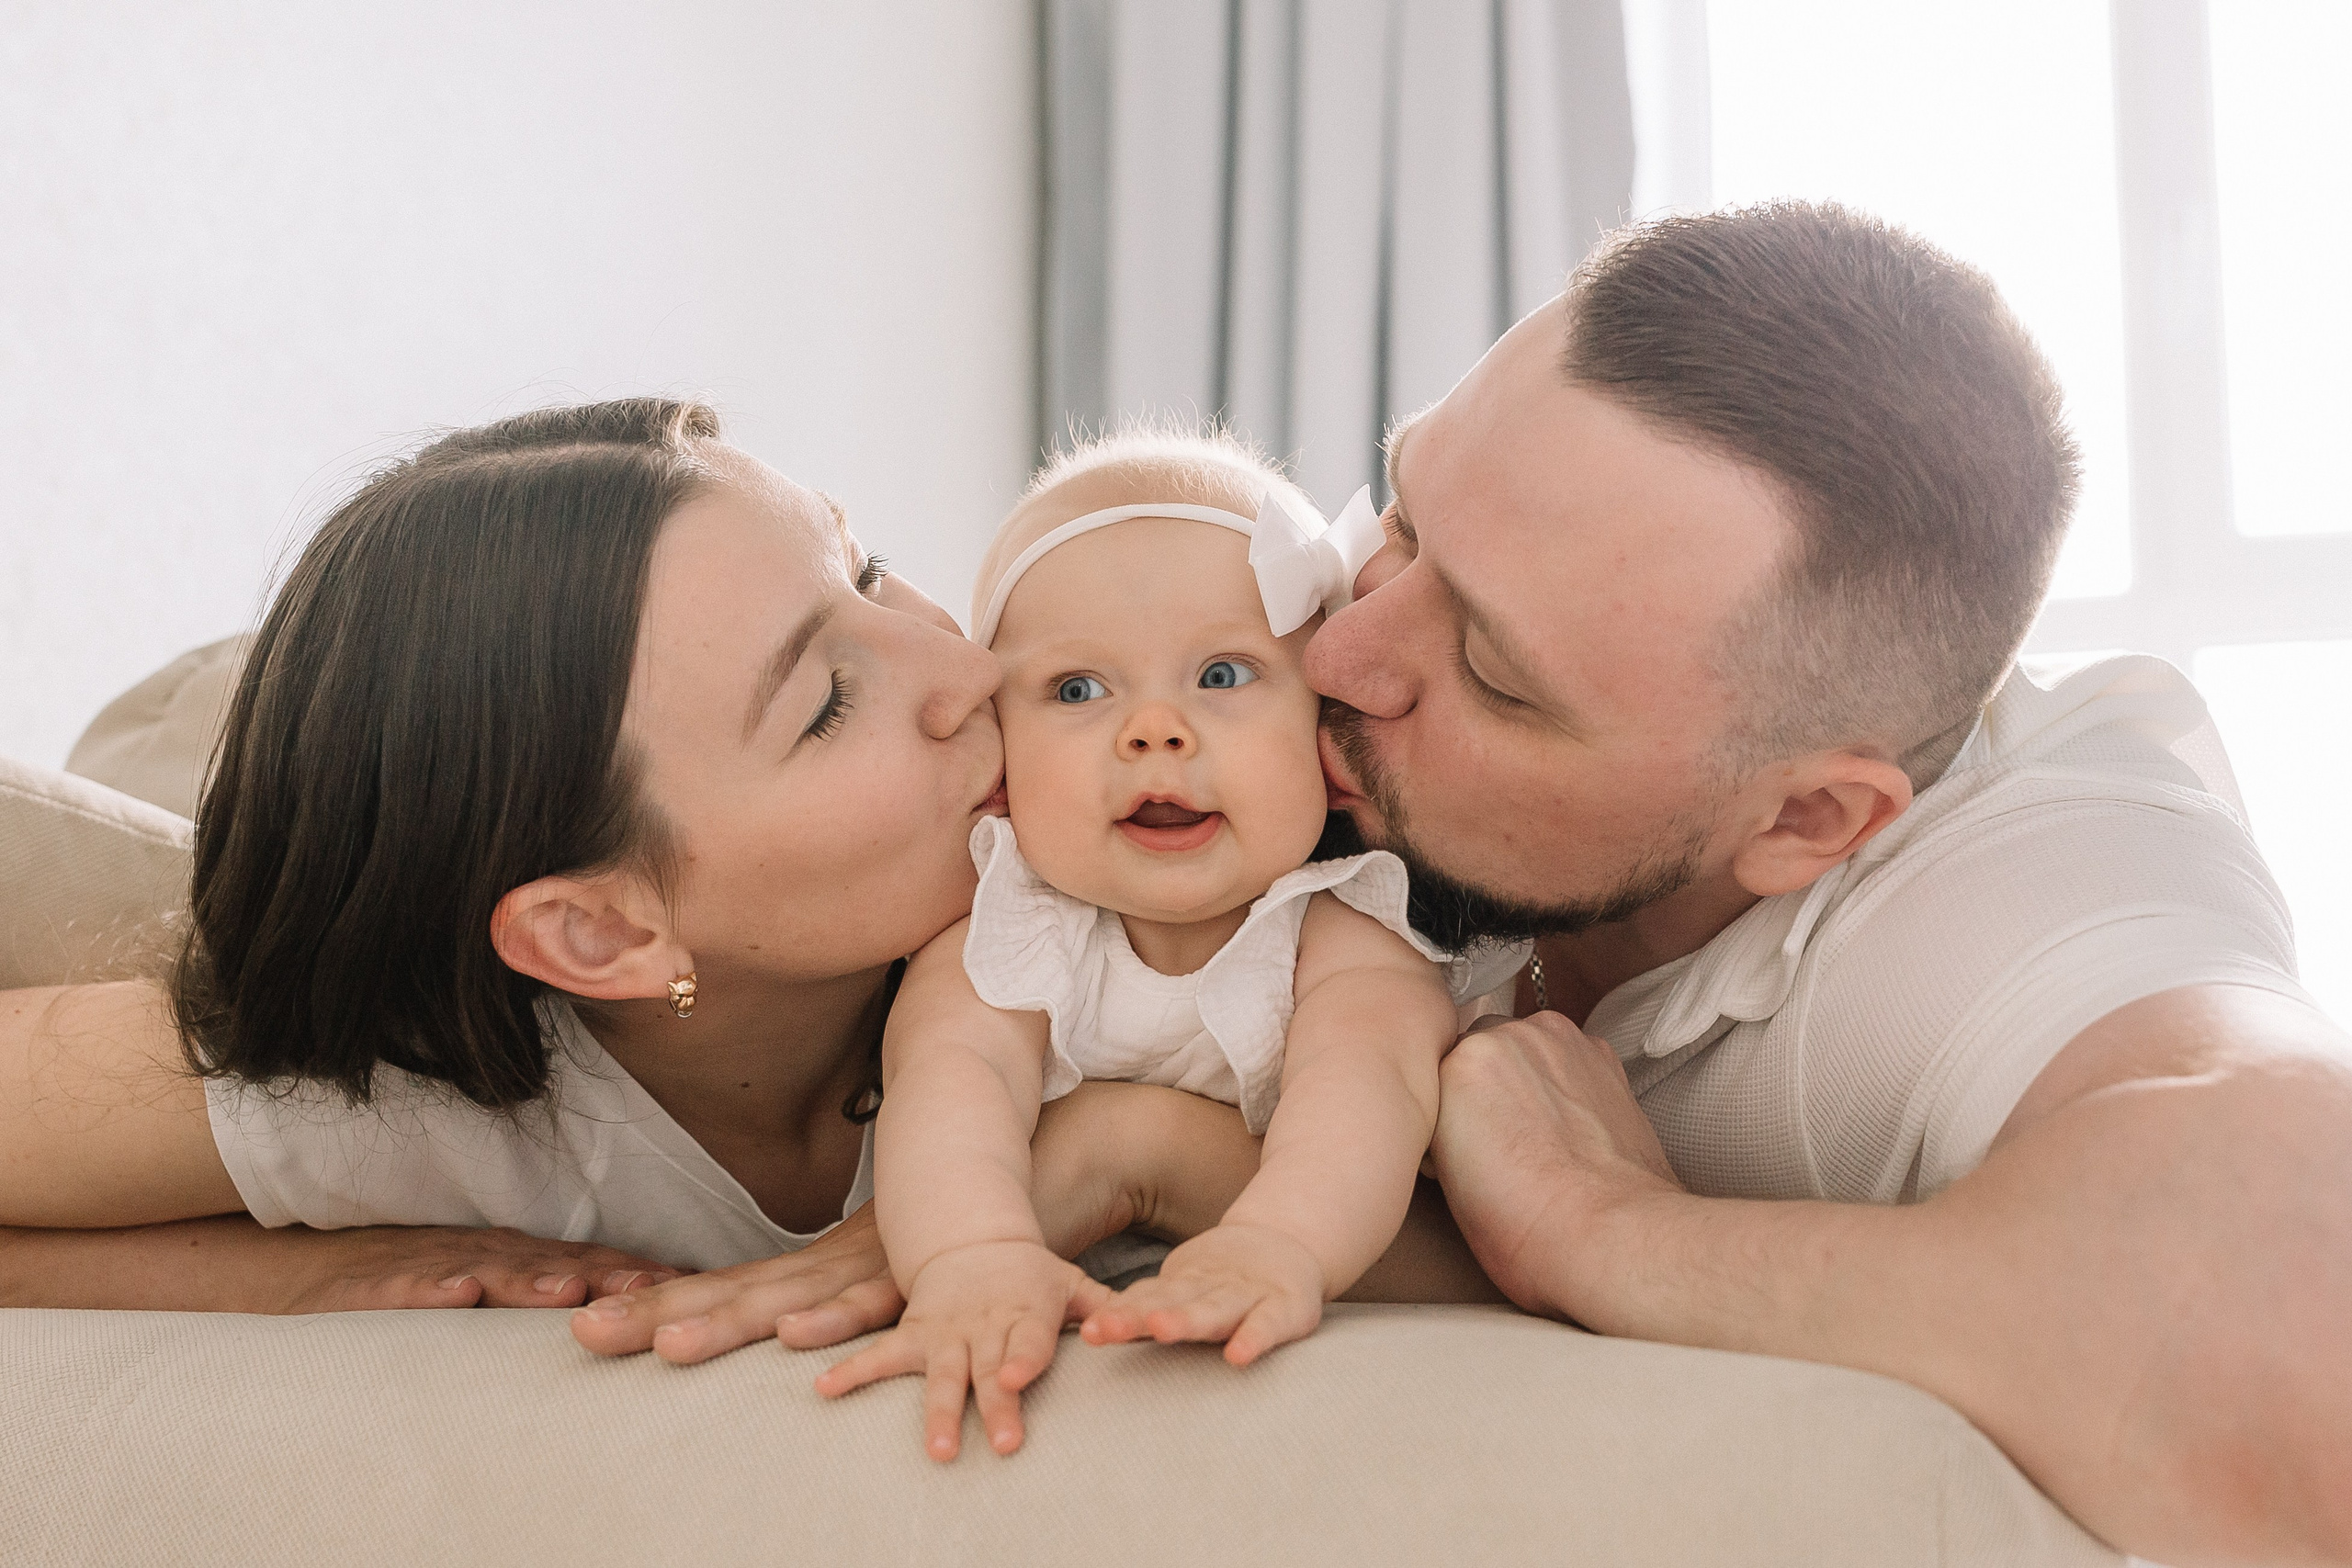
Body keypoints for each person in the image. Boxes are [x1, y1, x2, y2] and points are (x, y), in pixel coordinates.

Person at [1305, 203, 2352, 1567]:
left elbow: (2298, 1325)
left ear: (1807, 816)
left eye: (1495, 675)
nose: (1339, 651)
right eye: (1401, 512)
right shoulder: (1330, 610)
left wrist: (1600, 1223)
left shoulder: (2009, 882)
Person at [0, 399, 1303, 1339]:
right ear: (604, 934)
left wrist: (1137, 1151)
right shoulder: (405, 1092)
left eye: (873, 570)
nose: (971, 672)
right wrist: (264, 1284)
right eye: (827, 703)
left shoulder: (1153, 861)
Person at [820, 435, 1516, 1459]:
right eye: (1075, 691)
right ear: (1001, 763)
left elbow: (1361, 1095)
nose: (1153, 730)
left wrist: (1277, 1244)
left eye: (1223, 674)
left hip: (1306, 1263)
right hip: (1073, 1293)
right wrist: (970, 1257)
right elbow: (949, 1093)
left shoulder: (1347, 933)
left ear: (1327, 742)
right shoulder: (1001, 937)